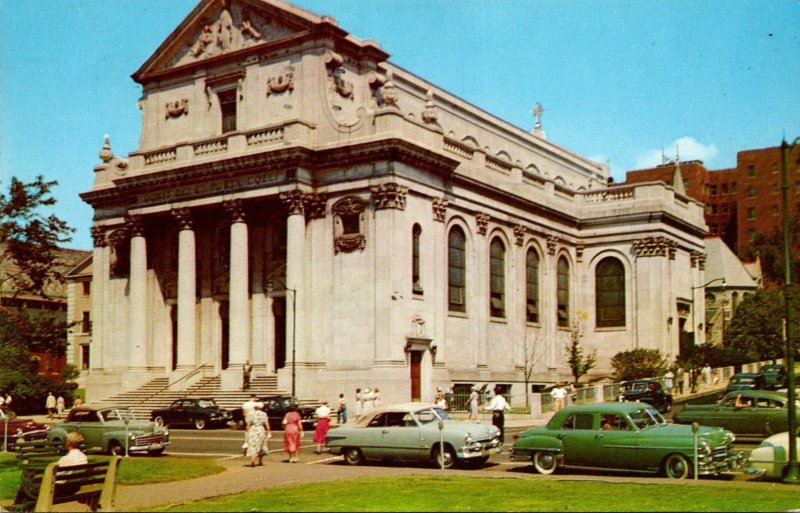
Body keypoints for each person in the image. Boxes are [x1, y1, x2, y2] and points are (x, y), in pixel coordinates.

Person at [246, 403, 270, 467]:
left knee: (253, 444)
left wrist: (247, 432)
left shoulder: (251, 414)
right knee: (261, 444)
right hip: (261, 429)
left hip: (253, 429)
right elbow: (267, 424)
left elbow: (248, 424)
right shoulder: (264, 414)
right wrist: (269, 431)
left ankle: (253, 459)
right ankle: (260, 460)